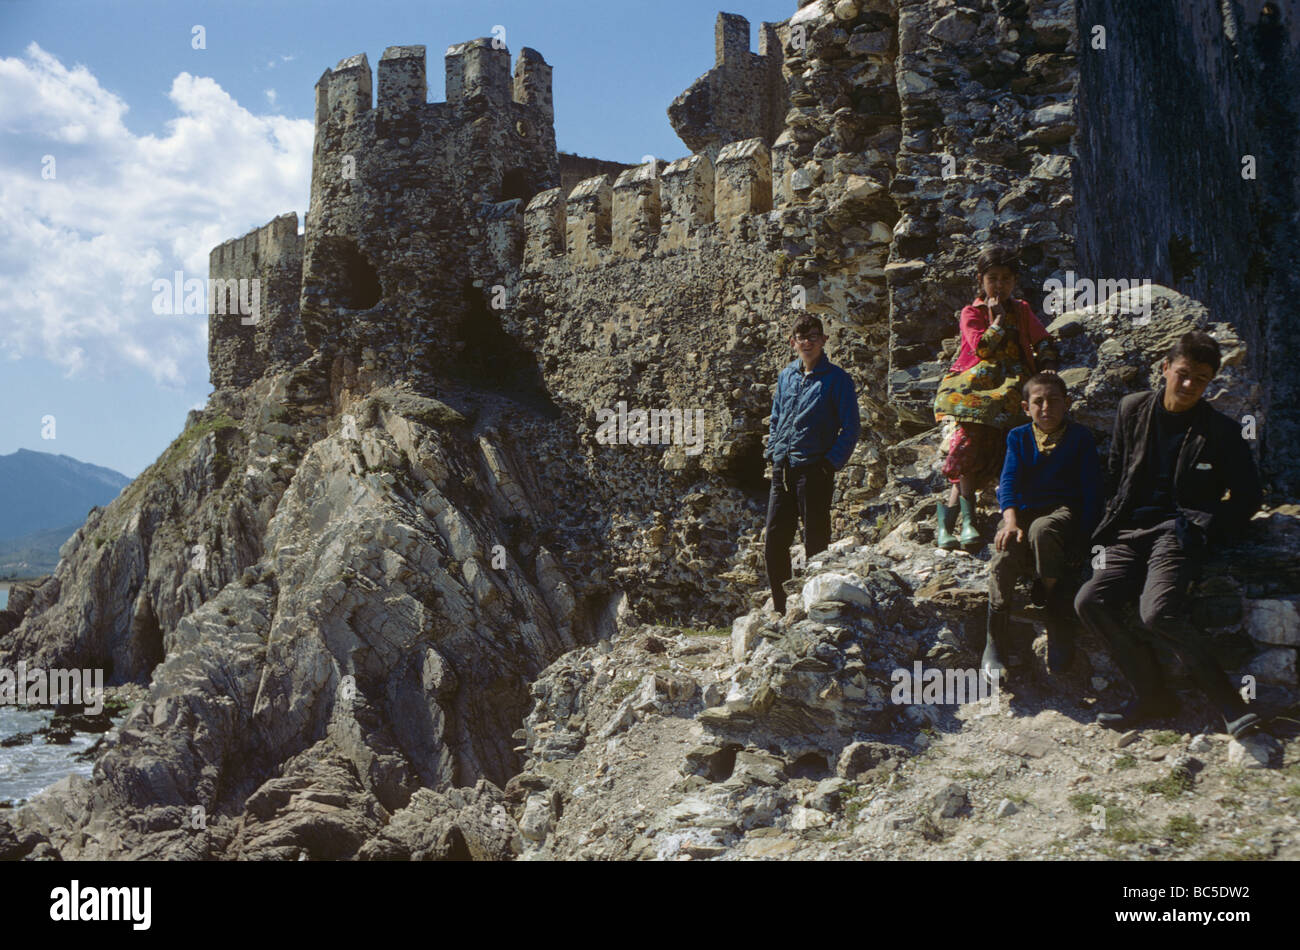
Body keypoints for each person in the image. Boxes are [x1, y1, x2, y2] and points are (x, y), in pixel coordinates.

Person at [1074, 331, 1263, 737]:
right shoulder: (1132, 409)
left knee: (1157, 612)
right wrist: (1109, 525)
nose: (1191, 384)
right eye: (1183, 373)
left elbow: (1248, 496)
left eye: (1201, 377)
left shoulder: (1222, 432)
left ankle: (1227, 700)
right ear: (1165, 369)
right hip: (1128, 529)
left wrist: (1208, 528)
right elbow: (1117, 471)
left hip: (1177, 531)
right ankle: (1151, 694)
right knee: (1090, 600)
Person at [933, 244, 1059, 550]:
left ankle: (950, 523)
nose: (999, 285)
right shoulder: (972, 312)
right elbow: (982, 349)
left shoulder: (1023, 310)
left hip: (1012, 387)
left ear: (1014, 281)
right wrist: (998, 321)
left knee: (999, 445)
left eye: (1005, 278)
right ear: (981, 280)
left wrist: (1047, 365)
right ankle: (964, 522)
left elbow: (1043, 339)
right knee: (969, 438)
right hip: (975, 386)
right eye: (993, 278)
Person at [984, 372, 1102, 685]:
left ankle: (1053, 606)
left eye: (1054, 400)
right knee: (1003, 556)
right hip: (1022, 513)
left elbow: (1092, 492)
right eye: (1038, 401)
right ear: (1026, 407)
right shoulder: (1018, 437)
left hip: (1062, 513)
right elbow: (1007, 481)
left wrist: (1084, 537)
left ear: (1067, 403)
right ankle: (994, 638)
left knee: (1043, 530)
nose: (1046, 407)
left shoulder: (1079, 438)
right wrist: (1009, 521)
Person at [764, 314, 860, 615]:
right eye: (801, 337)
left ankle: (816, 607)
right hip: (784, 468)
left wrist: (830, 464)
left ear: (823, 341)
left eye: (813, 336)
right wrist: (772, 451)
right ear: (793, 342)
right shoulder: (786, 376)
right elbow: (777, 416)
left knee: (816, 542)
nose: (807, 342)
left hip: (815, 469)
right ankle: (781, 608)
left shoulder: (838, 380)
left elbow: (851, 427)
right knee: (774, 540)